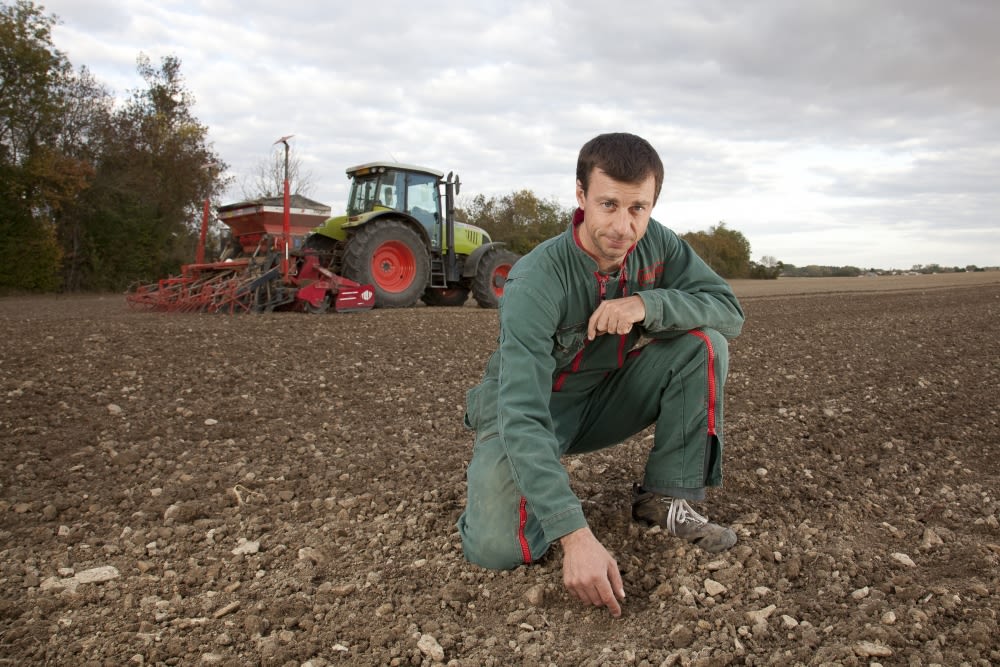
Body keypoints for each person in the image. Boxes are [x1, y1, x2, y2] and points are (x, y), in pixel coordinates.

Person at [457, 132, 745, 618]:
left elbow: (728, 312)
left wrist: (646, 305)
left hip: (604, 399)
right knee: (498, 551)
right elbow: (522, 411)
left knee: (704, 345)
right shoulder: (536, 280)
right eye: (608, 204)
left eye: (639, 208)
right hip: (531, 410)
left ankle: (667, 500)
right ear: (580, 195)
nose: (623, 225)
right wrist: (575, 535)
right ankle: (499, 481)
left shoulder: (659, 244)